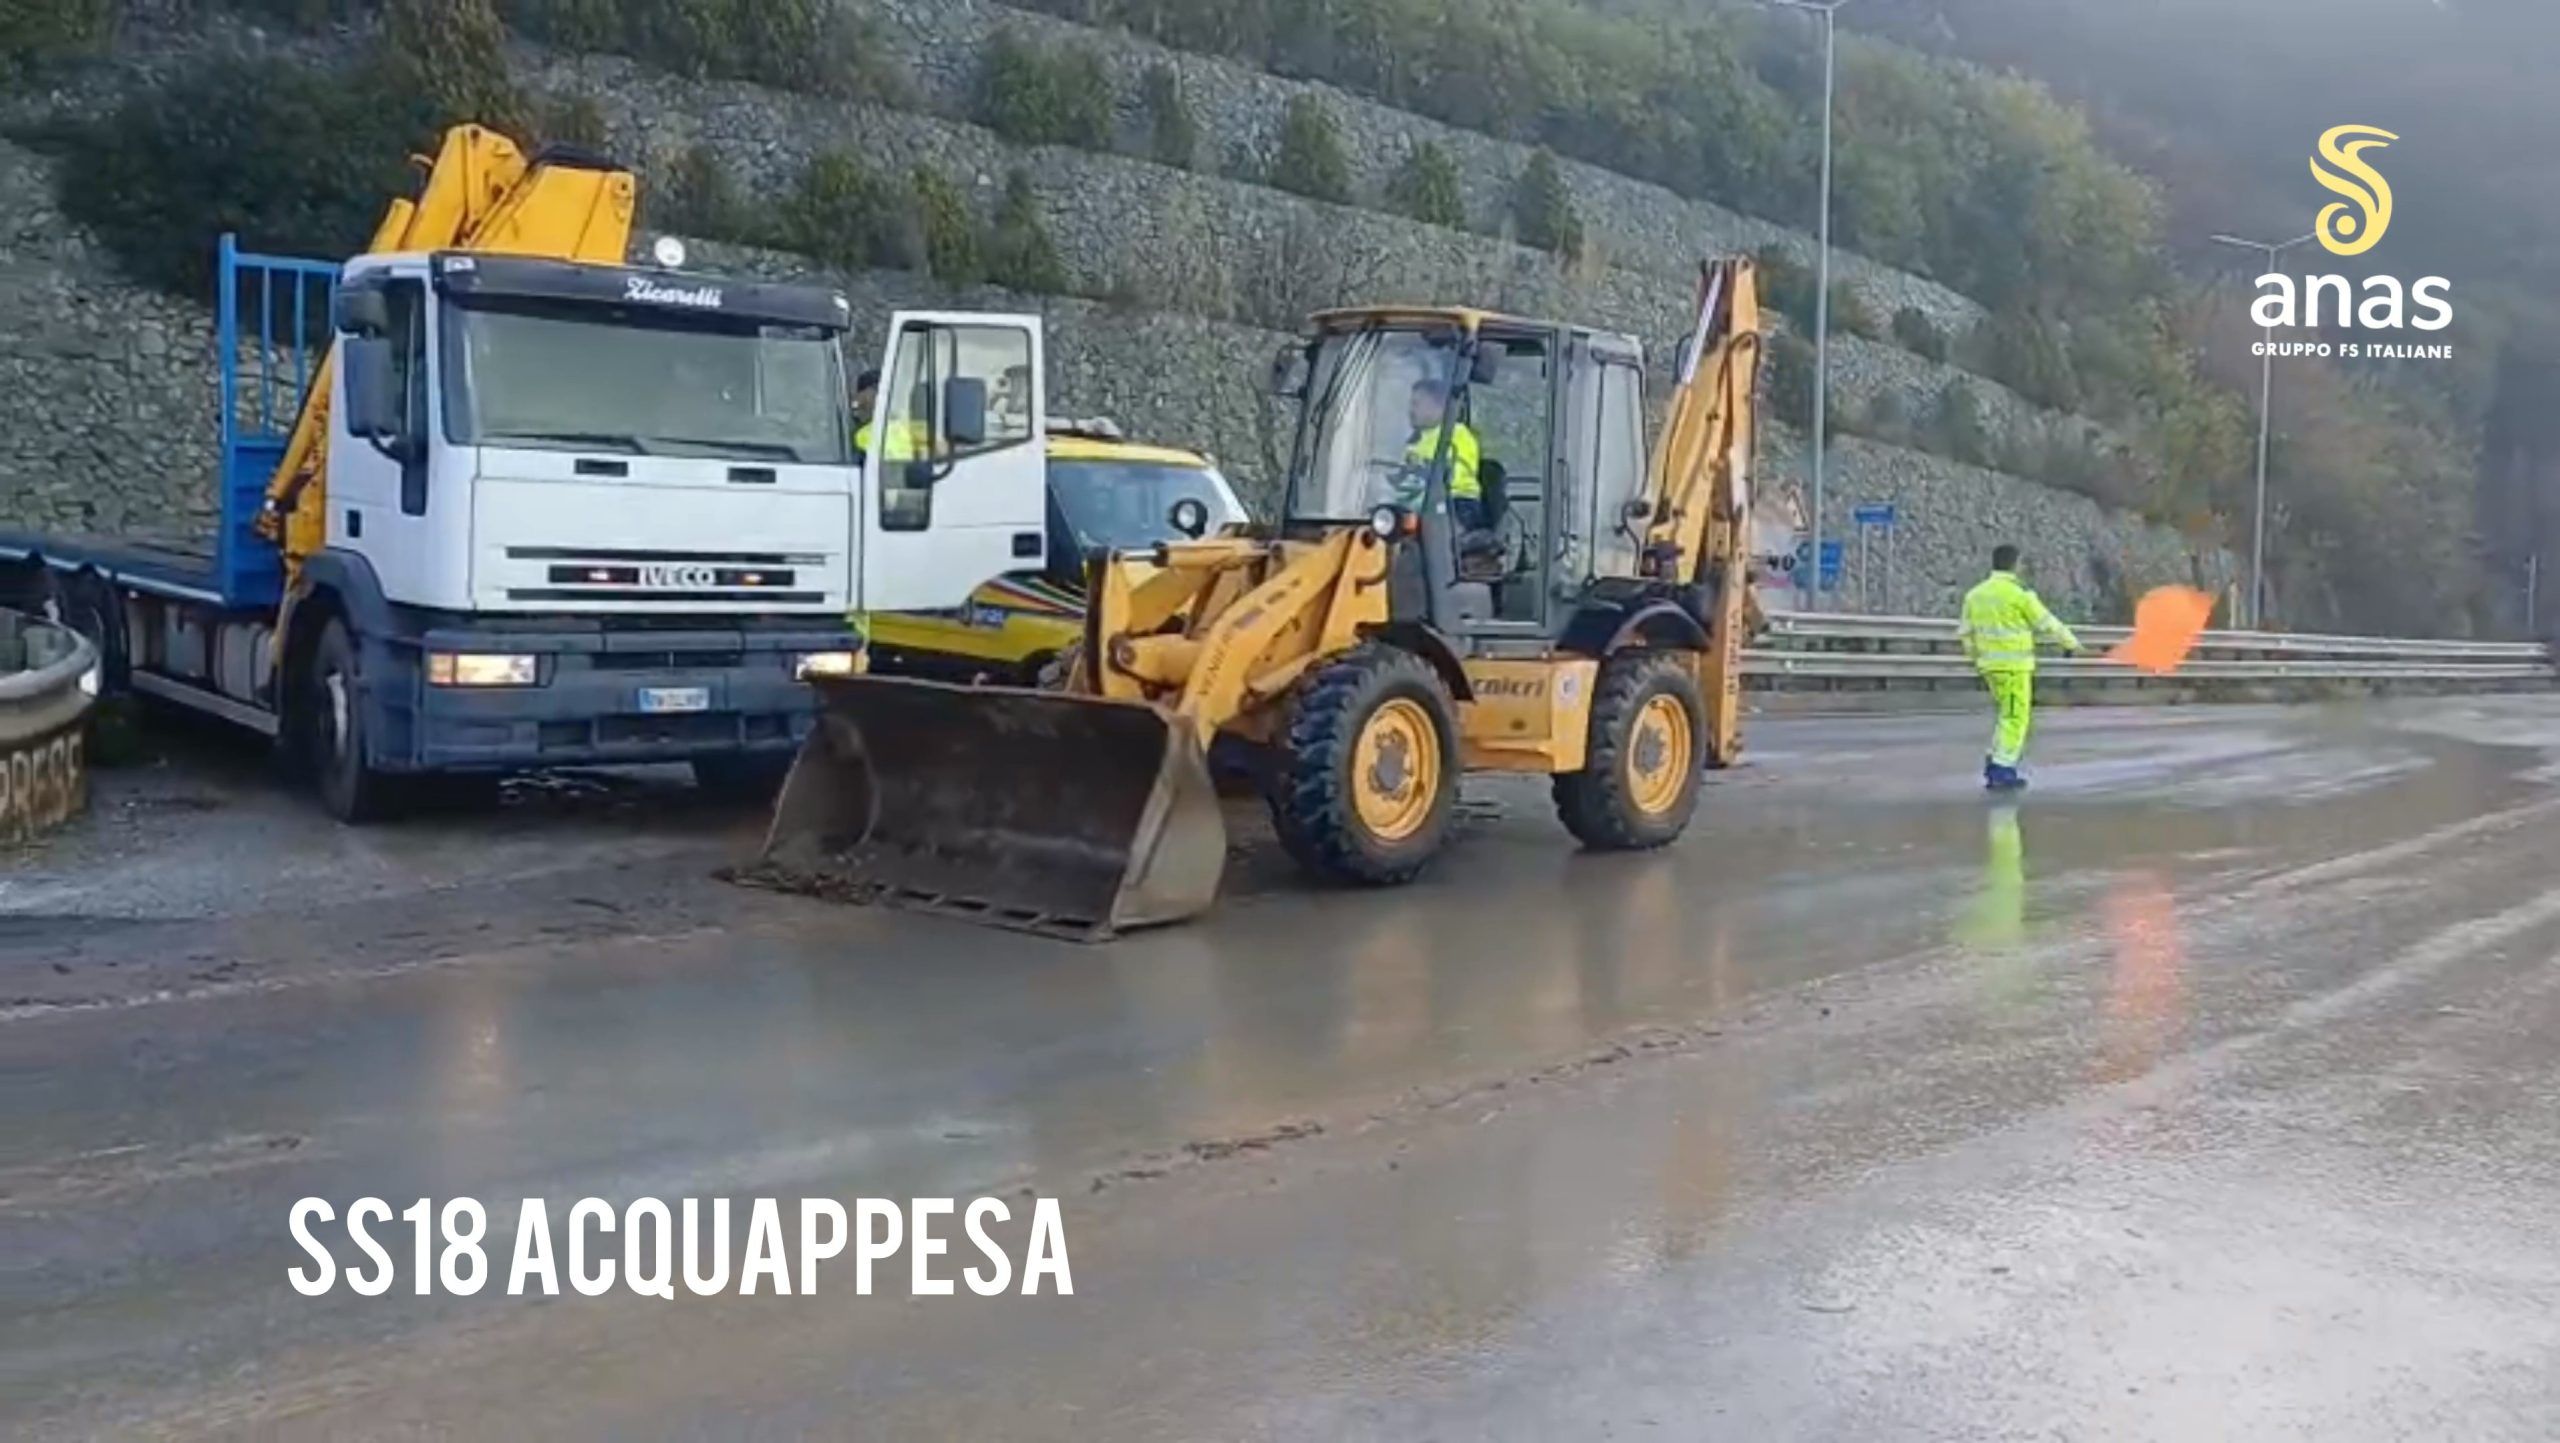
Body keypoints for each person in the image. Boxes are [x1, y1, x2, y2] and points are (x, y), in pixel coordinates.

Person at [1958, 543, 2080, 791]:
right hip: (2014, 667)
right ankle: (2002, 769)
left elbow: (1965, 633)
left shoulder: (1975, 595)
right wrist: (2071, 643)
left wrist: (1976, 658)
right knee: (2015, 717)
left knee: (2006, 714)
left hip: (1989, 667)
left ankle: (1995, 760)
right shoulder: (2019, 595)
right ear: (2015, 564)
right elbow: (2046, 622)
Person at [1404, 380, 1484, 529]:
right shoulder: (1416, 441)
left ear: (1438, 406)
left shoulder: (1457, 435)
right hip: (1426, 503)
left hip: (1458, 506)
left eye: (1416, 404)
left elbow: (1449, 477)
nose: (1411, 410)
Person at [850, 368, 882, 461]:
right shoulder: (848, 426)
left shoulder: (892, 425)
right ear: (860, 395)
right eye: (875, 389)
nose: (880, 395)